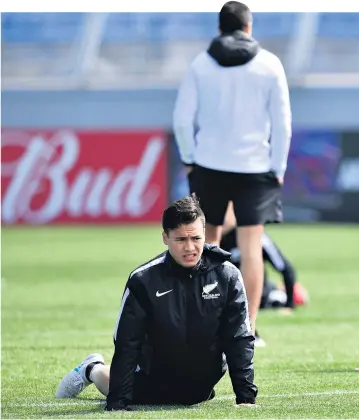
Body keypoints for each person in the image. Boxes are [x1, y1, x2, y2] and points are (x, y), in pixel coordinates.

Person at [55, 194, 258, 410]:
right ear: (165, 237)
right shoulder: (143, 280)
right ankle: (92, 368)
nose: (190, 248)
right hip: (153, 377)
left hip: (202, 384)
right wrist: (117, 403)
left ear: (204, 235)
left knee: (191, 397)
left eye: (196, 238)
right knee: (121, 388)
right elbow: (127, 343)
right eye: (180, 239)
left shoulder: (227, 275)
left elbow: (239, 338)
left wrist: (245, 397)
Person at [173, 1, 292, 343]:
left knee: (205, 244)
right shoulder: (270, 63)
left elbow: (182, 118)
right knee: (251, 248)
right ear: (249, 27)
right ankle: (247, 329)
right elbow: (282, 122)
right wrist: (278, 166)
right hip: (256, 167)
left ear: (220, 28)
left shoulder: (200, 64)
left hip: (209, 164)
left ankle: (205, 322)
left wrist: (189, 158)